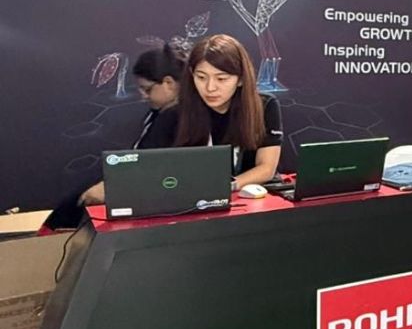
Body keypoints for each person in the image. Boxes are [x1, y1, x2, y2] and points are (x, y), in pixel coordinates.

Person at [44, 45, 186, 229]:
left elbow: (155, 169)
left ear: (169, 83)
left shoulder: (175, 118)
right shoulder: (160, 113)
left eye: (147, 89)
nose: (143, 96)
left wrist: (114, 188)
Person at [174, 34, 282, 188]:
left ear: (240, 79)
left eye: (221, 79)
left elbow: (266, 168)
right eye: (201, 77)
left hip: (247, 194)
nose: (210, 88)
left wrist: (224, 188)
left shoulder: (264, 105)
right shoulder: (178, 112)